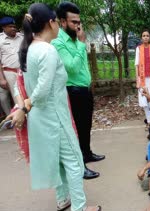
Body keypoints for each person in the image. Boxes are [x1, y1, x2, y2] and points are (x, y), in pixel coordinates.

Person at [6, 3, 101, 211]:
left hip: (41, 119)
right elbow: (43, 89)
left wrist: (24, 105)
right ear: (51, 22)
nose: (58, 25)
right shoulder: (47, 50)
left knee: (58, 161)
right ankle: (80, 208)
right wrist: (26, 105)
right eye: (57, 21)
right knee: (75, 162)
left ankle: (62, 199)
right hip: (54, 117)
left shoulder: (28, 49)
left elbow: (18, 84)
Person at [52, 2, 105, 180]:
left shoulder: (75, 39)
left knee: (86, 125)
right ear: (62, 22)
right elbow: (72, 68)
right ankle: (80, 165)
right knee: (76, 129)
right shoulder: (58, 43)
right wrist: (82, 44)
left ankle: (87, 153)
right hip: (73, 91)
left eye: (79, 22)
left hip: (84, 89)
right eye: (74, 22)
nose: (78, 25)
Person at [0, 16, 24, 109]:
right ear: (4, 27)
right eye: (10, 26)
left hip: (23, 71)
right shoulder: (0, 40)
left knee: (25, 96)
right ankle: (17, 119)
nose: (13, 28)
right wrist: (1, 79)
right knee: (17, 98)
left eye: (14, 26)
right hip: (9, 72)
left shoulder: (21, 37)